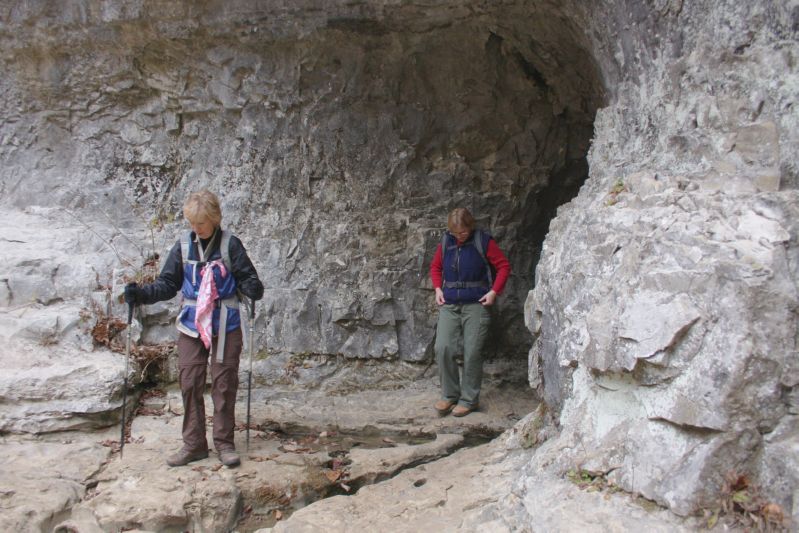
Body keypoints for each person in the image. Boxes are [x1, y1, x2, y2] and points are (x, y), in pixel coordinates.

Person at [124, 190, 264, 467]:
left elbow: (249, 279)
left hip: (225, 321)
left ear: (214, 219)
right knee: (189, 381)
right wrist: (141, 294)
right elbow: (167, 284)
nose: (195, 228)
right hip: (192, 322)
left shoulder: (230, 245)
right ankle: (194, 444)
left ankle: (224, 443)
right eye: (192, 222)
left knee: (224, 384)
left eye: (201, 223)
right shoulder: (183, 246)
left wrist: (251, 287)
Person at [429, 207, 511, 417]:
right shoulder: (446, 242)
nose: (460, 236)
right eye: (455, 233)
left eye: (463, 232)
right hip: (449, 303)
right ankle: (449, 395)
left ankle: (468, 399)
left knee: (472, 351)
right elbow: (436, 267)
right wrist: (438, 288)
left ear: (470, 226)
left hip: (476, 303)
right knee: (443, 347)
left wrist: (494, 292)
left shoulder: (483, 241)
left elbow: (503, 266)